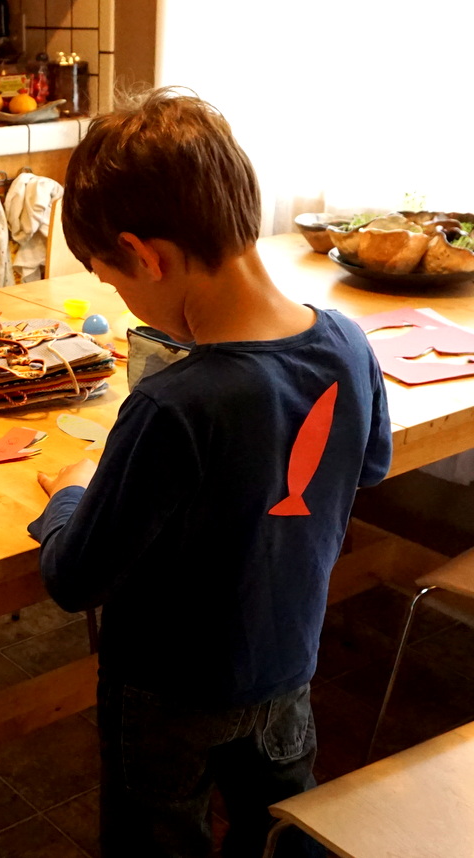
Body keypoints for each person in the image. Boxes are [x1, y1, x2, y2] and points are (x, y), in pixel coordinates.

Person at [30, 89, 392, 857]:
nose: (127, 302)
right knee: (281, 836)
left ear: (147, 256)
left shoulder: (173, 405)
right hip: (286, 673)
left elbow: (75, 578)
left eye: (115, 282)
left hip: (167, 696)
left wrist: (70, 491)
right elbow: (368, 466)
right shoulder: (349, 346)